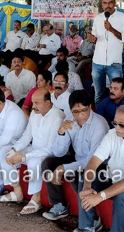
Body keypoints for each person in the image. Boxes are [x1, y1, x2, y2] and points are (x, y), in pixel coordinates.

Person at [0, 89, 65, 215]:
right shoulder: (34, 113)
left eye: (37, 103)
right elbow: (27, 136)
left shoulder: (58, 116)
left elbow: (50, 148)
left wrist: (23, 157)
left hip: (48, 155)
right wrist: (14, 150)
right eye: (33, 103)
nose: (33, 106)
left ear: (48, 103)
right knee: (4, 152)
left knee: (33, 162)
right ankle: (17, 192)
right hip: (34, 149)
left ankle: (36, 199)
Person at [42, 90, 109, 222]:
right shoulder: (69, 120)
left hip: (98, 165)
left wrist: (63, 168)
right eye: (76, 112)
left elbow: (91, 160)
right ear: (71, 110)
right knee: (48, 163)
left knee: (79, 176)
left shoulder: (99, 124)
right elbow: (58, 153)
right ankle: (59, 205)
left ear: (90, 106)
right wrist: (61, 132)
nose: (80, 115)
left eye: (84, 110)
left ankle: (93, 220)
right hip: (79, 159)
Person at [88, 0, 124, 105]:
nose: (107, 5)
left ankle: (117, 117)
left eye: (110, 3)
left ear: (115, 3)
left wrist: (111, 29)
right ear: (102, 5)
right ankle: (100, 117)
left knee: (118, 94)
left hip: (114, 63)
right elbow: (95, 37)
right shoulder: (98, 18)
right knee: (99, 94)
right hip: (97, 63)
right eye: (105, 3)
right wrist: (92, 38)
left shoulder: (122, 18)